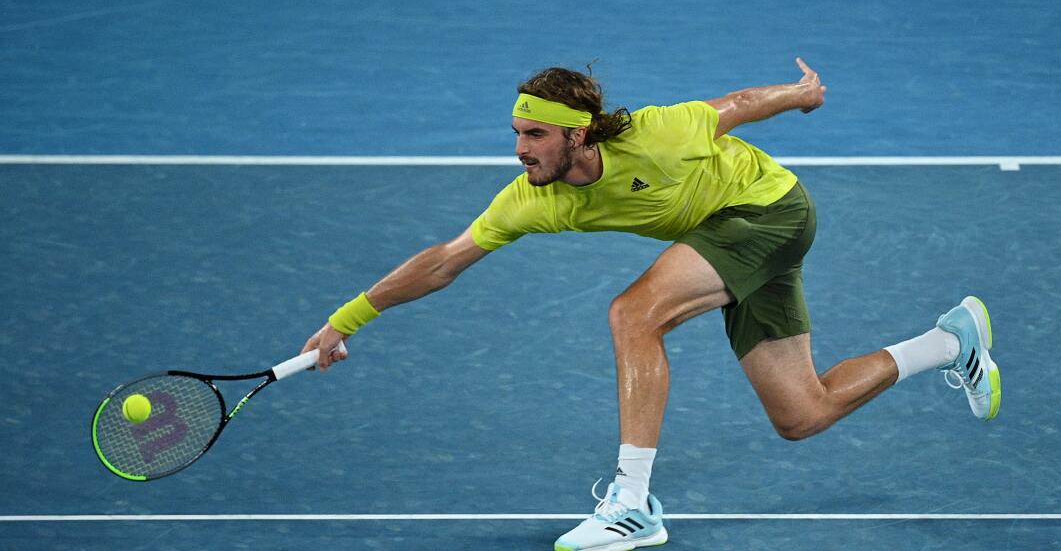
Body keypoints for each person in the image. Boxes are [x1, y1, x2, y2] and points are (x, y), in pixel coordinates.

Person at [300, 58, 1001, 551]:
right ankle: (951, 342)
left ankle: (631, 504)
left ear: (577, 133)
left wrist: (801, 94)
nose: (519, 149)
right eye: (516, 132)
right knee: (802, 414)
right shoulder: (532, 200)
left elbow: (737, 105)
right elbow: (444, 261)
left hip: (769, 211)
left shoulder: (655, 133)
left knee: (633, 313)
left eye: (535, 134)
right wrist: (344, 319)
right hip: (733, 239)